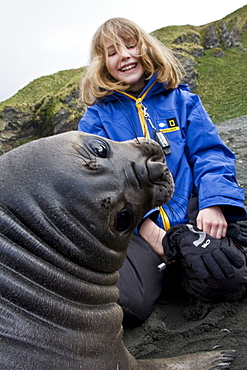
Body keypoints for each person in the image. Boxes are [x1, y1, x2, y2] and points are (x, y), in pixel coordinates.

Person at [78, 17, 247, 326]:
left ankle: (182, 253)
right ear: (103, 63)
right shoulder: (96, 118)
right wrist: (145, 226)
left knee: (228, 277)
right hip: (135, 226)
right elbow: (97, 184)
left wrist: (213, 204)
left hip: (191, 210)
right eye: (113, 51)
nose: (125, 55)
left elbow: (211, 154)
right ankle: (176, 260)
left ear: (146, 48)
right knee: (131, 305)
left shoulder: (182, 101)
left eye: (131, 45)